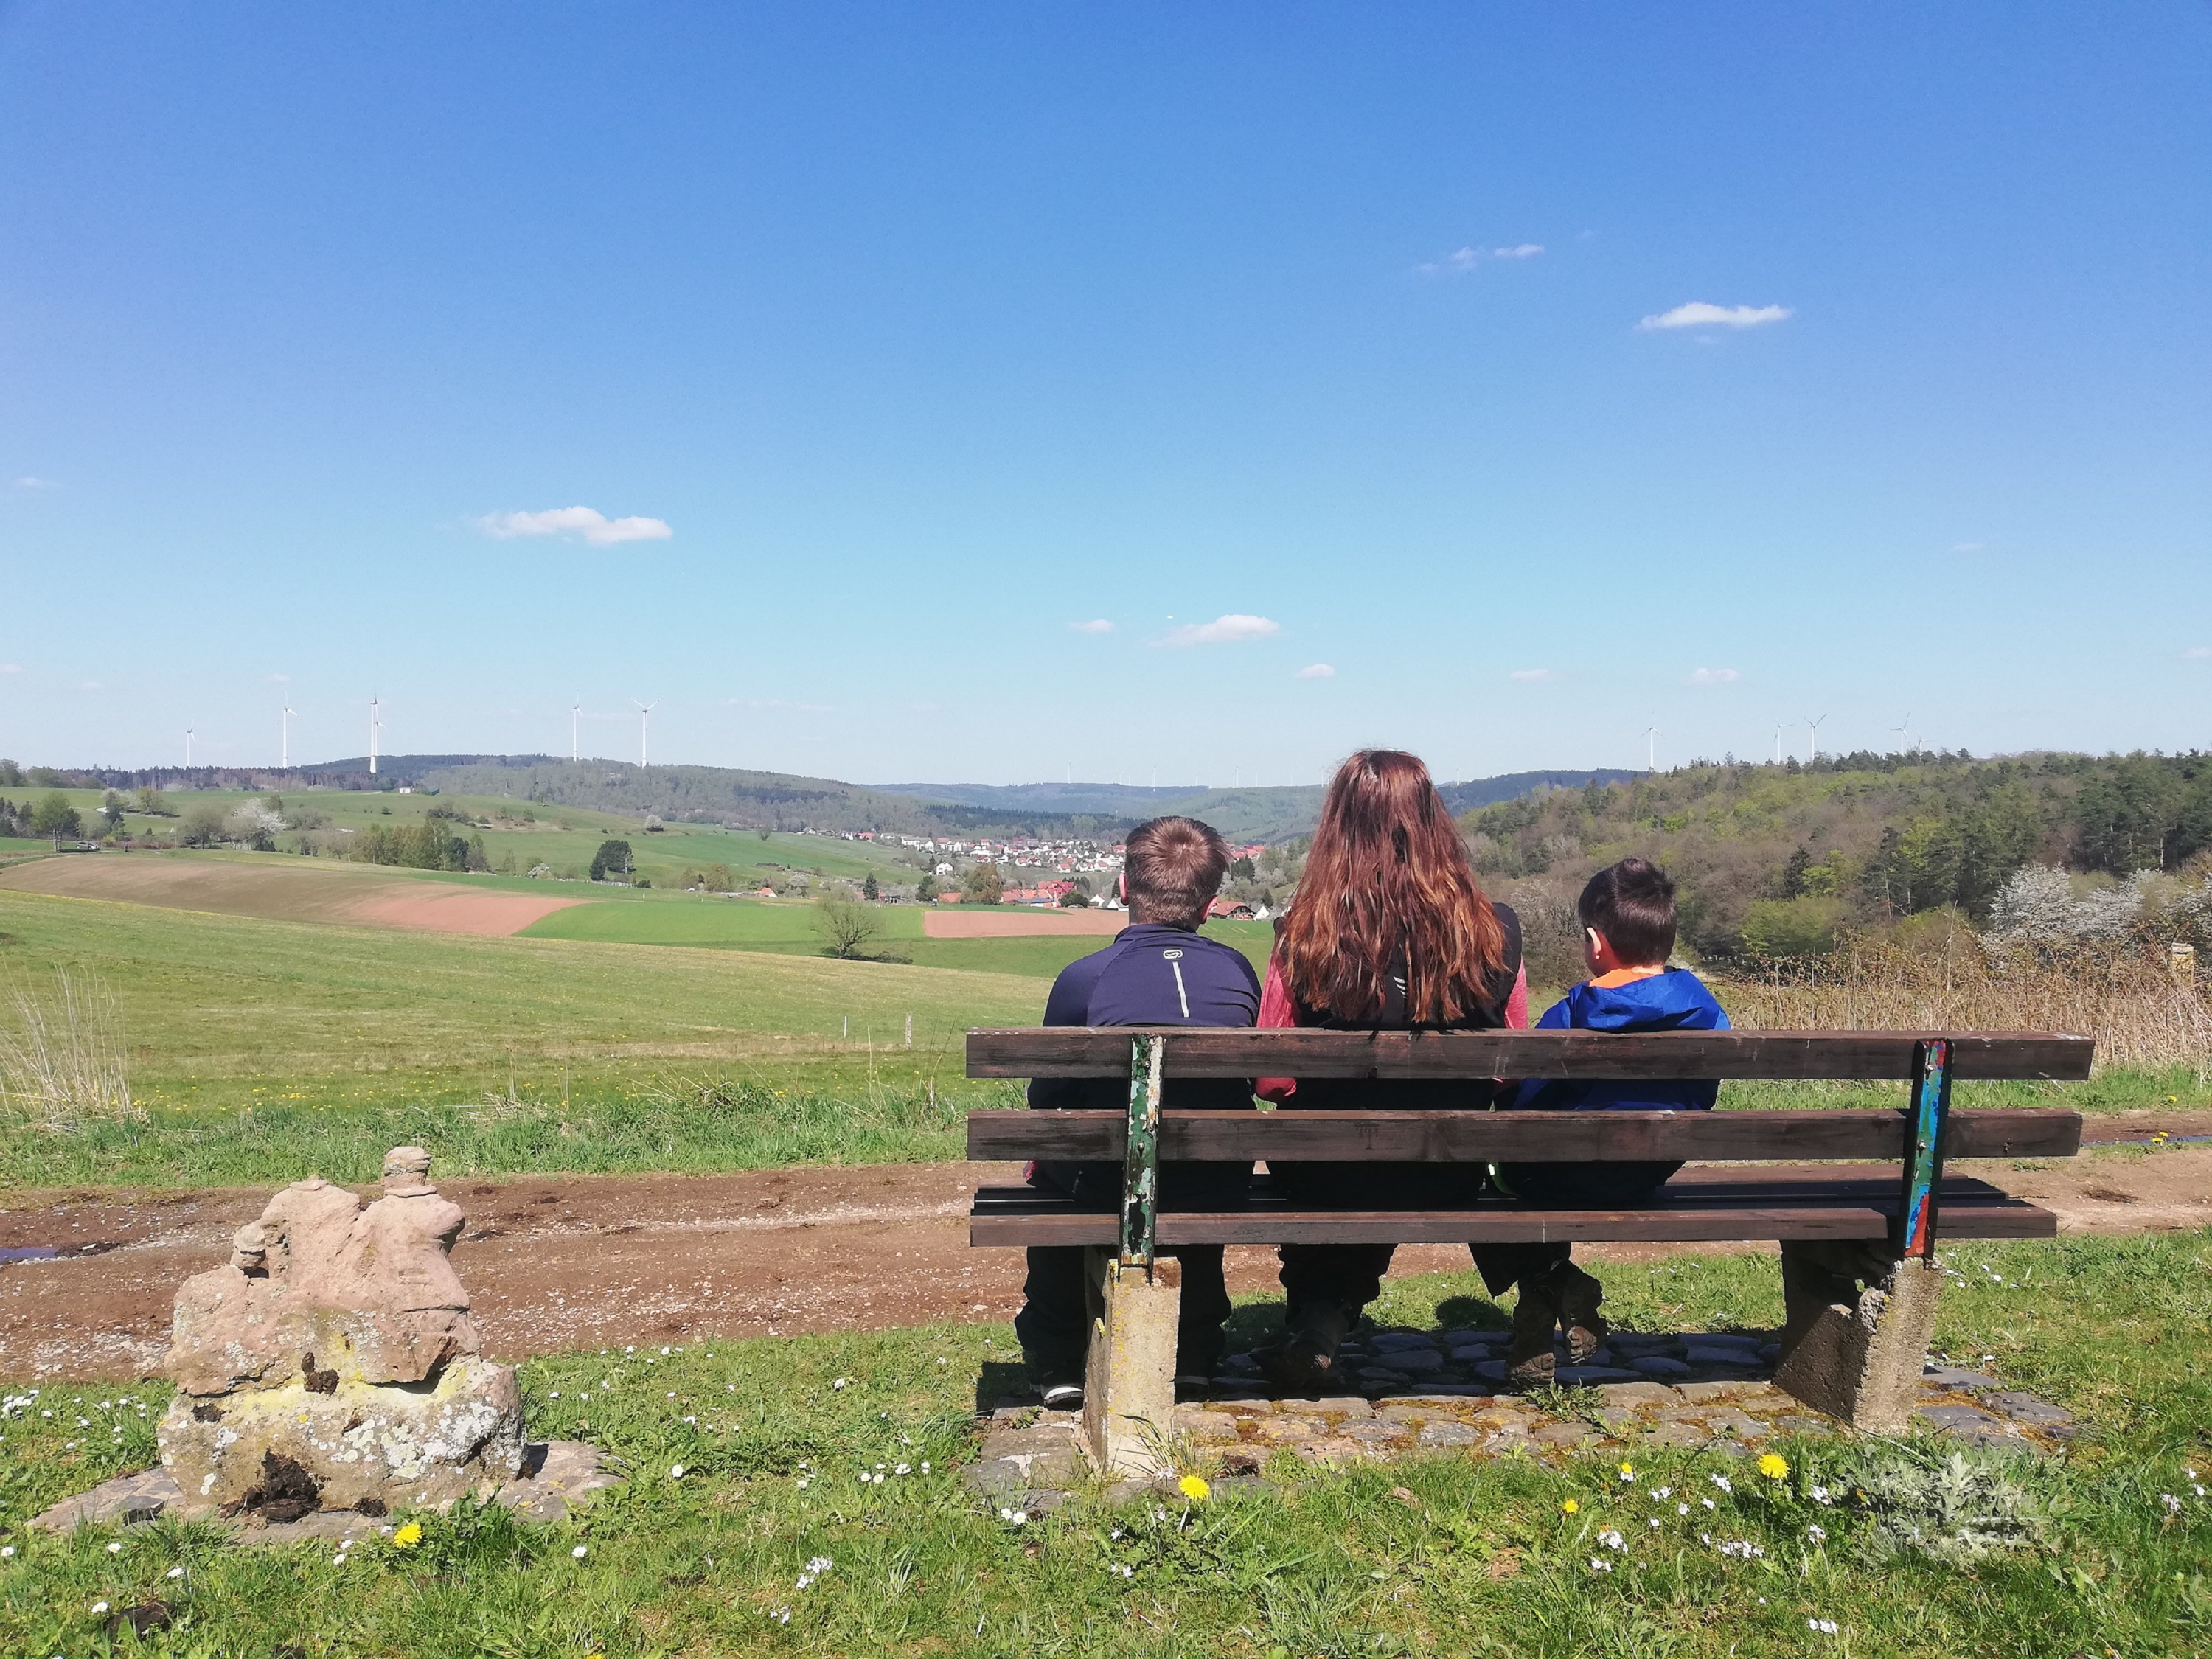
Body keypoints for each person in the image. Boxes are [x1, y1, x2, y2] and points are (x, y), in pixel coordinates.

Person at [1253, 750, 1526, 1390]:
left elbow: (1272, 1078)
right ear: (1435, 823)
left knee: (1340, 1155)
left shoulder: (1302, 932)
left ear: (1338, 826)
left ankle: (1318, 1320)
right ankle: (1542, 1290)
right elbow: (1511, 1067)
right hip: (1450, 1169)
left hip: (1325, 1174)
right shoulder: (1497, 931)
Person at [1013, 815, 1261, 1407]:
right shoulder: (1236, 973)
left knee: (1054, 1171)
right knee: (1196, 1169)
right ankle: (1194, 1353)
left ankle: (1058, 1355)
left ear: (1125, 889)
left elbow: (1045, 1098)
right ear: (1211, 903)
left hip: (1103, 1179)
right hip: (1213, 1179)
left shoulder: (1084, 980)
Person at [1481, 856, 1730, 1387]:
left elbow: (1525, 1104)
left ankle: (1555, 1283)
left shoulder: (1571, 1013)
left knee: (1491, 1179)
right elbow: (1702, 1095)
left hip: (1550, 1179)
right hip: (1647, 1174)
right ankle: (1547, 1302)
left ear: (1596, 942)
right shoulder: (1707, 1013)